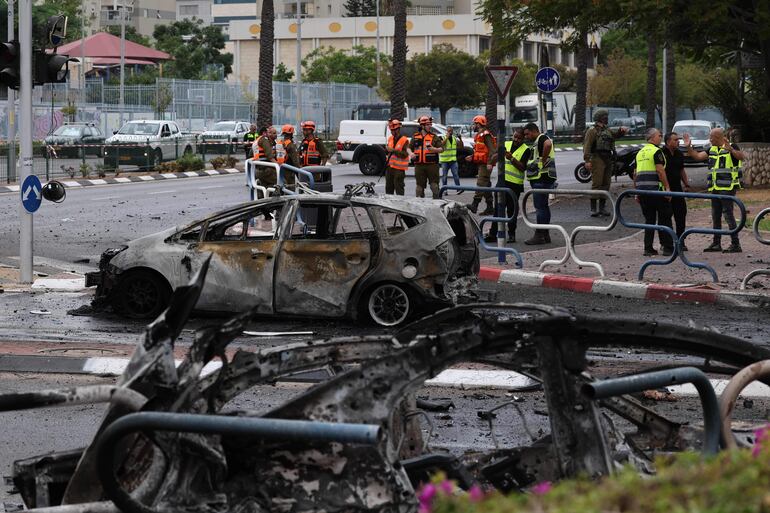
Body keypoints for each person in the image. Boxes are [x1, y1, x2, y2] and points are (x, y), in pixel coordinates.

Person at [684, 127, 745, 253]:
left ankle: (735, 243)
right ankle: (716, 243)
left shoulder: (731, 146)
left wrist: (731, 150)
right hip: (715, 188)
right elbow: (697, 156)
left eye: (711, 137)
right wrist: (689, 147)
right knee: (715, 215)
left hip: (727, 188)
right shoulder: (711, 149)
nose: (710, 139)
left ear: (718, 137)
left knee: (728, 215)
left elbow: (741, 157)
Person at [485, 127, 529, 243]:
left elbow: (523, 167)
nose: (516, 139)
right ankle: (493, 234)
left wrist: (512, 159)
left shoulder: (526, 150)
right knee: (498, 210)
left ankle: (511, 234)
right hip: (502, 182)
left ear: (523, 138)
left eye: (519, 138)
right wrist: (495, 158)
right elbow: (494, 157)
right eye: (514, 136)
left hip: (514, 185)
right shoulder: (506, 144)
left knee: (511, 211)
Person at [634, 128, 674, 256]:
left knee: (649, 220)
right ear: (651, 138)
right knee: (665, 219)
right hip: (657, 191)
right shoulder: (657, 152)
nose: (661, 137)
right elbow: (660, 171)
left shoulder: (640, 153)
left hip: (643, 192)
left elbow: (635, 173)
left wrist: (637, 191)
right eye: (659, 136)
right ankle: (668, 247)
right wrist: (667, 188)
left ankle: (648, 248)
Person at [583, 109, 627, 216]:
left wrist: (621, 132)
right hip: (597, 158)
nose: (607, 118)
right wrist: (587, 160)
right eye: (605, 117)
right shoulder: (592, 130)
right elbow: (587, 146)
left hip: (608, 158)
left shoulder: (607, 129)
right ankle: (593, 209)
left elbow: (615, 136)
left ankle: (602, 207)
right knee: (597, 183)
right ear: (600, 118)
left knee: (606, 184)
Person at [522, 123, 556, 245]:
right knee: (544, 207)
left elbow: (548, 144)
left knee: (540, 207)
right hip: (544, 178)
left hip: (541, 178)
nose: (526, 136)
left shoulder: (541, 138)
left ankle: (539, 235)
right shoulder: (538, 140)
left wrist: (543, 159)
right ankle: (545, 235)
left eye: (527, 133)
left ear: (534, 131)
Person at [662, 132, 691, 250]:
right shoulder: (661, 153)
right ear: (668, 142)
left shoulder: (679, 153)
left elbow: (681, 170)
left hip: (677, 189)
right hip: (665, 190)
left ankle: (680, 240)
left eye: (678, 139)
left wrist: (687, 184)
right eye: (675, 140)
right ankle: (666, 243)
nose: (678, 141)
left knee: (681, 214)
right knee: (665, 217)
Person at [465, 115, 497, 215]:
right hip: (482, 163)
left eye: (474, 123)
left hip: (486, 164)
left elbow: (492, 151)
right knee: (486, 185)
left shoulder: (485, 134)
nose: (473, 125)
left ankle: (475, 204)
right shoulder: (480, 135)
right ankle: (490, 207)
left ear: (478, 124)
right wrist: (472, 156)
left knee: (481, 183)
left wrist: (490, 163)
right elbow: (482, 150)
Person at [411, 115, 443, 198]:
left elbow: (442, 149)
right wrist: (411, 154)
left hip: (432, 165)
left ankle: (437, 203)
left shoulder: (434, 137)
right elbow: (408, 148)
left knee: (434, 186)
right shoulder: (415, 137)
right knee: (419, 188)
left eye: (430, 124)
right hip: (419, 166)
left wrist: (433, 149)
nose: (430, 126)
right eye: (428, 125)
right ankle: (420, 205)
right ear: (422, 126)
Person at [385, 119, 410, 196]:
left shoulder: (404, 140)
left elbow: (405, 154)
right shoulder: (390, 139)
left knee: (399, 189)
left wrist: (393, 150)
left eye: (393, 130)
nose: (392, 132)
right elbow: (388, 153)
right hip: (389, 168)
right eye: (391, 130)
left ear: (398, 129)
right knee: (388, 190)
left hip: (399, 170)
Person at [254, 126, 279, 196]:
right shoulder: (264, 140)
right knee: (282, 181)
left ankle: (264, 196)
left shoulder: (263, 141)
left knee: (268, 185)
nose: (276, 135)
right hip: (265, 169)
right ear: (268, 134)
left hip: (260, 168)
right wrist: (279, 166)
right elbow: (270, 156)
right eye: (274, 133)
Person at [439, 125, 463, 191]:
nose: (450, 132)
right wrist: (447, 138)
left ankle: (458, 189)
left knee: (456, 175)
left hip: (453, 160)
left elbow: (461, 147)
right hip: (445, 161)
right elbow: (441, 144)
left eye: (451, 131)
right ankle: (444, 190)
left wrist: (460, 138)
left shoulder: (454, 138)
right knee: (444, 176)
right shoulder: (442, 137)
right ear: (446, 131)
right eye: (449, 131)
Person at [277, 124, 299, 188]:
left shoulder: (280, 143)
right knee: (290, 188)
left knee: (282, 187)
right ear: (291, 134)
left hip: (280, 168)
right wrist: (299, 173)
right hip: (289, 170)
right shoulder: (291, 145)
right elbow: (295, 161)